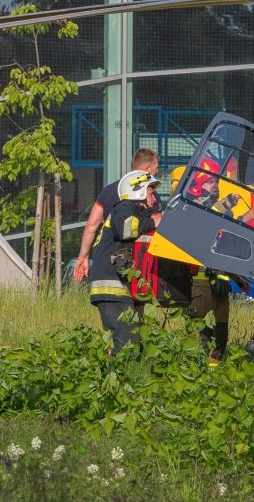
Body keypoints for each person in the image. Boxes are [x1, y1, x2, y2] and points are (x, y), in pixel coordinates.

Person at [183, 158, 251, 363]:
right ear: (198, 185)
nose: (216, 186)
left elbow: (224, 247)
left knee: (220, 333)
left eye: (217, 182)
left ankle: (215, 371)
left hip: (220, 282)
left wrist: (238, 279)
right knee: (199, 334)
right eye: (210, 182)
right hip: (199, 282)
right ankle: (193, 372)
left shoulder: (219, 210)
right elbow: (207, 219)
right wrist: (229, 201)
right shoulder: (192, 208)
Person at [89, 170, 161, 354]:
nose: (154, 200)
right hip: (111, 288)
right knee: (126, 341)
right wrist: (153, 222)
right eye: (151, 193)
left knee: (134, 340)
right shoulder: (123, 208)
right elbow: (125, 228)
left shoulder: (132, 211)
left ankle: (124, 377)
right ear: (139, 192)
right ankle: (119, 380)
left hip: (119, 288)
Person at [74, 148, 160, 282]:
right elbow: (156, 227)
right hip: (137, 267)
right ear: (148, 169)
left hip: (106, 264)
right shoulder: (149, 195)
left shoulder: (108, 190)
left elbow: (91, 226)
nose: (157, 172)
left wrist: (83, 257)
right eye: (156, 167)